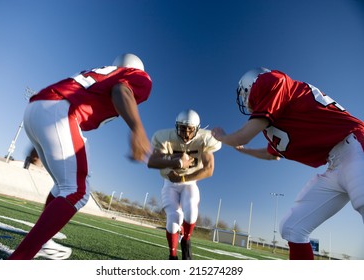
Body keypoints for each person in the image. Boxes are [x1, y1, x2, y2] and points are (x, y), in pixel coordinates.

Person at [8, 53, 153, 260]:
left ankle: (44, 242)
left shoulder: (100, 72)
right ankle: (17, 261)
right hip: (60, 111)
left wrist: (36, 144)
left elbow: (62, 98)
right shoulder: (138, 76)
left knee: (62, 186)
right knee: (77, 191)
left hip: (37, 108)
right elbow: (121, 90)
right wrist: (137, 129)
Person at [212, 68, 364, 260]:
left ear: (249, 87)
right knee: (292, 228)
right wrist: (242, 150)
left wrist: (224, 138)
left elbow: (245, 135)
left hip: (356, 144)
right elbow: (271, 154)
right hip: (335, 164)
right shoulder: (276, 120)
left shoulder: (270, 80)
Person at [147, 109, 221, 260]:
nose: (186, 133)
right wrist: (178, 162)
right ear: (176, 127)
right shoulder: (165, 138)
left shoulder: (205, 139)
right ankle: (172, 256)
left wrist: (182, 179)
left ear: (197, 129)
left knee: (191, 211)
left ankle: (186, 240)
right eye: (183, 128)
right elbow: (152, 162)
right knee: (173, 219)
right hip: (169, 183)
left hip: (189, 182)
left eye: (190, 129)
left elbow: (209, 169)